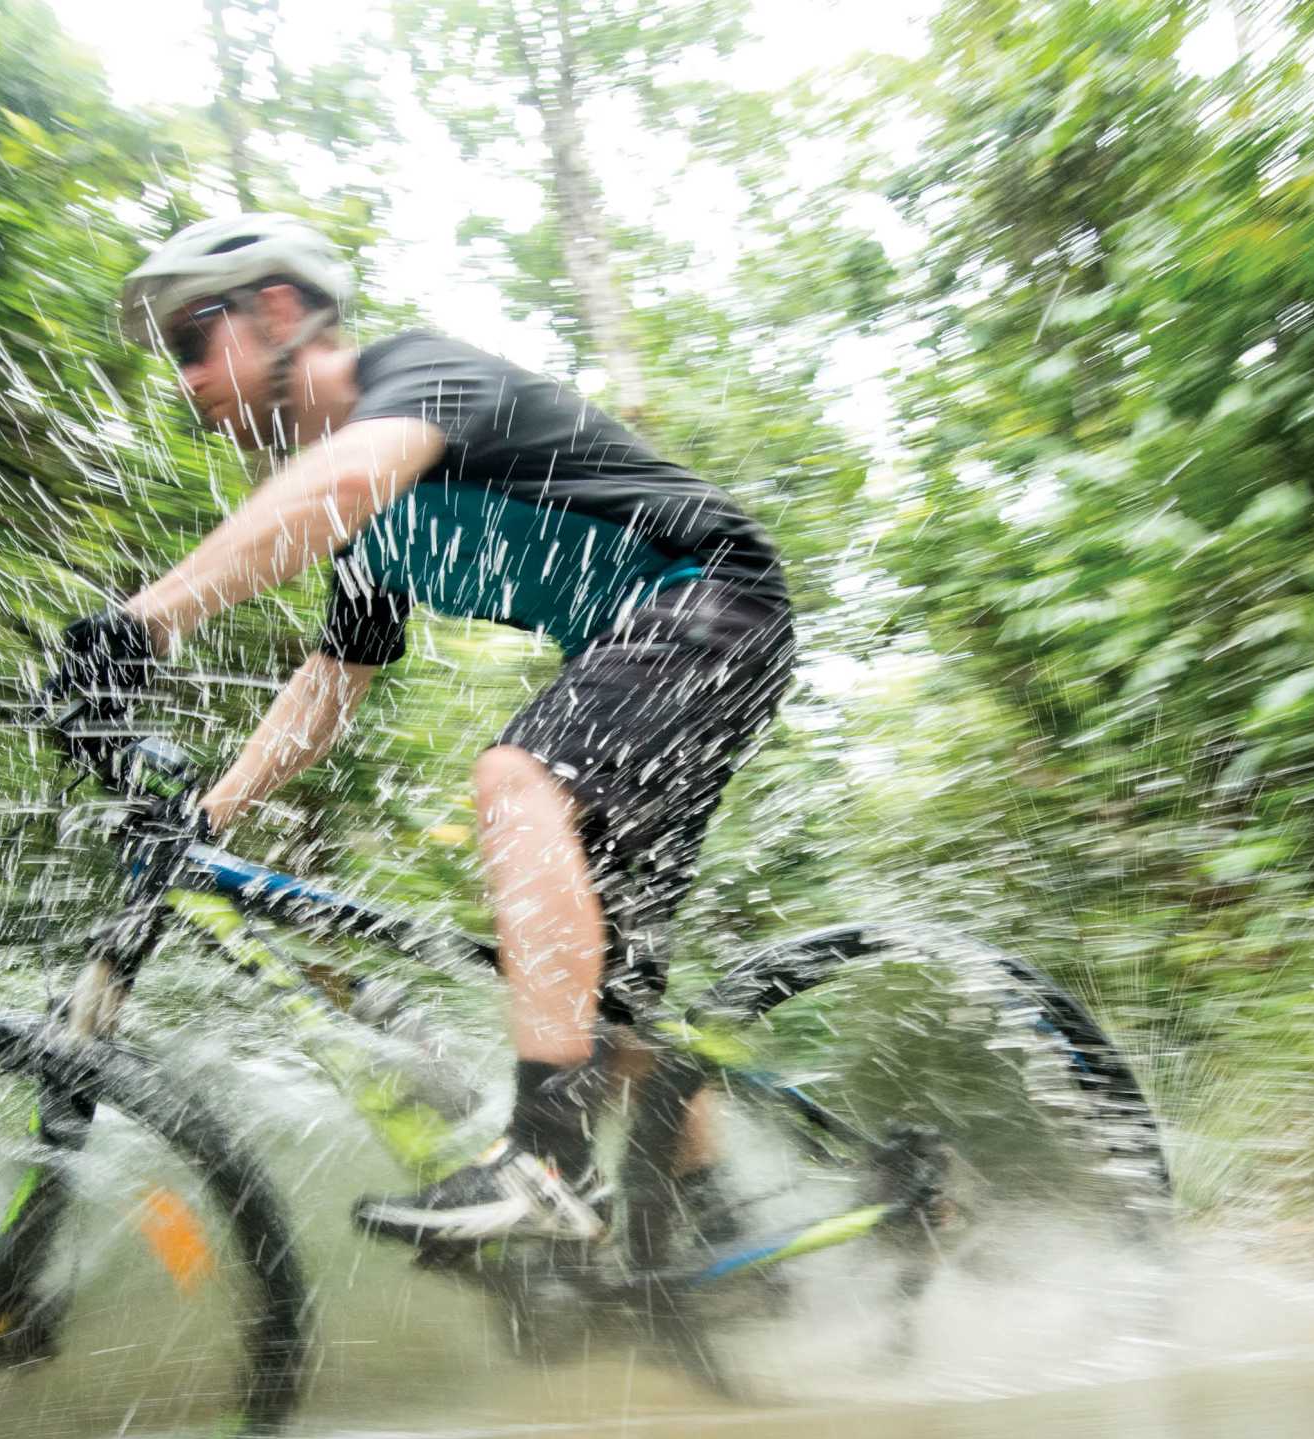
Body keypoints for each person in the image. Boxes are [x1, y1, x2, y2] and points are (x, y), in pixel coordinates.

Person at [55, 211, 795, 1247]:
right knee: (600, 995)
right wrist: (208, 814)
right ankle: (724, 1246)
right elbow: (332, 681)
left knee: (517, 776)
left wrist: (146, 622)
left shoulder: (420, 376)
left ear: (279, 309)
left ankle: (546, 1163)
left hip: (714, 598)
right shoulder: (363, 519)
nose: (184, 376)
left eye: (191, 339)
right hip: (656, 643)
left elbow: (340, 482)